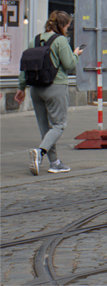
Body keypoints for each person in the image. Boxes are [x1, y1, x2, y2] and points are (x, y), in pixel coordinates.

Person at [15, 11, 83, 175]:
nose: (68, 29)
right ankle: (40, 152)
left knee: (45, 128)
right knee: (59, 125)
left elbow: (26, 66)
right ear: (62, 25)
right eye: (67, 26)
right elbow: (68, 64)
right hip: (55, 87)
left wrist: (21, 88)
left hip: (36, 89)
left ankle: (55, 163)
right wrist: (76, 54)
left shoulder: (35, 40)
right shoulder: (60, 41)